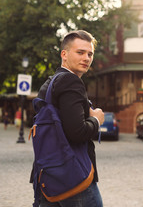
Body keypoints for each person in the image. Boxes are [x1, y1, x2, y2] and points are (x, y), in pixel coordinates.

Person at [30, 30, 105, 207]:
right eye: (80, 52)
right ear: (64, 54)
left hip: (48, 173)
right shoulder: (71, 81)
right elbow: (77, 133)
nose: (86, 58)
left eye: (90, 54)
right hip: (72, 175)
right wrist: (96, 120)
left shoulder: (50, 82)